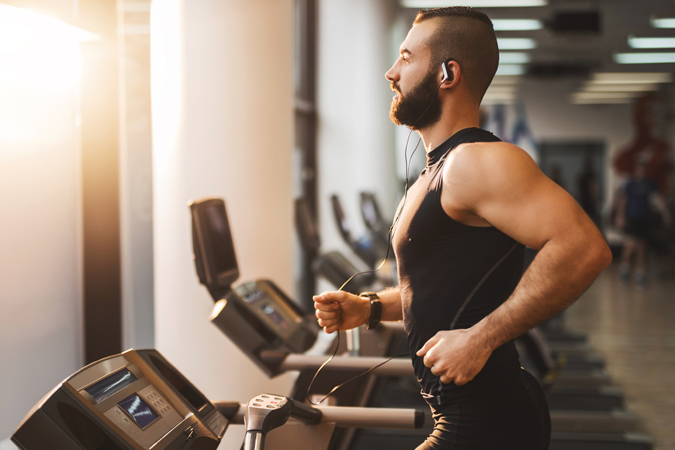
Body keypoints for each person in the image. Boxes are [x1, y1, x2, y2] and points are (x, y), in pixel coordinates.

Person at [314, 7, 612, 450]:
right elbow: (444, 288)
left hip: (483, 418)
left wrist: (481, 338)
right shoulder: (439, 169)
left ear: (447, 73)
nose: (390, 72)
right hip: (473, 411)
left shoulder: (475, 161)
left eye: (406, 57)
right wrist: (370, 308)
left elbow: (585, 248)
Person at [616, 160, 671, 284]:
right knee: (630, 243)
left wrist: (665, 213)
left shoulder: (650, 183)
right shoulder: (630, 183)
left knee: (642, 245)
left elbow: (658, 199)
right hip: (632, 217)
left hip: (644, 217)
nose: (641, 172)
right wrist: (620, 217)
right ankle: (624, 267)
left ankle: (639, 272)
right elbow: (623, 201)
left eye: (644, 170)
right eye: (639, 170)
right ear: (636, 170)